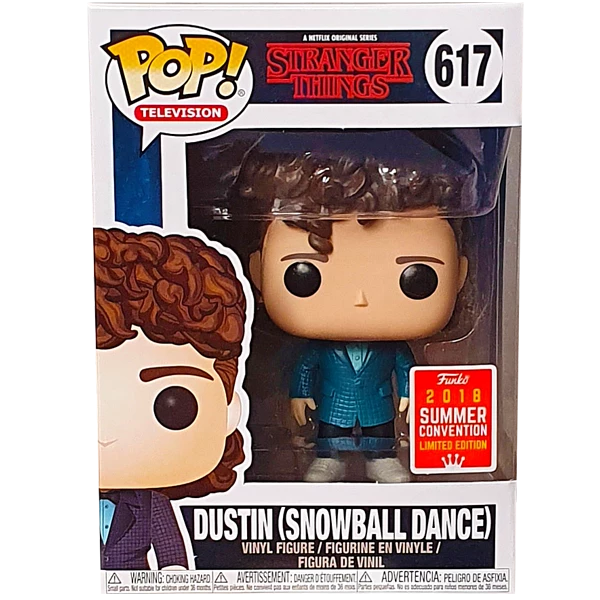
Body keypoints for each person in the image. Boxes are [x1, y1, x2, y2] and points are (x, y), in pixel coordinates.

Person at [236, 151, 468, 483]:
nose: (360, 299)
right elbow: (305, 367)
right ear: (258, 273)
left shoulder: (392, 347)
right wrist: (299, 394)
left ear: (459, 275)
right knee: (331, 431)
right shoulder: (319, 348)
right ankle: (329, 458)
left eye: (417, 278)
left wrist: (410, 392)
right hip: (333, 406)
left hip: (378, 407)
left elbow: (406, 367)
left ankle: (381, 459)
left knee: (380, 432)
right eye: (304, 275)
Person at [94, 228, 247, 569]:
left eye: (173, 406)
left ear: (229, 410)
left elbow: (171, 554)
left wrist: (175, 578)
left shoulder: (151, 505)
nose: (107, 435)